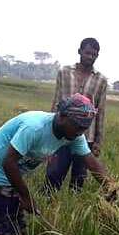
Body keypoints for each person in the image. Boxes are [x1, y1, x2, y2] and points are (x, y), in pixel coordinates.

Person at [0, 94, 113, 235]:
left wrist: (111, 187)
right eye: (77, 126)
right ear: (62, 116)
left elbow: (91, 161)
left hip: (12, 172)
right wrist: (26, 197)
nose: (80, 132)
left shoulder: (74, 136)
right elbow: (9, 162)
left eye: (84, 128)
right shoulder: (34, 128)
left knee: (15, 224)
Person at [45, 37, 108, 192]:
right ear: (79, 51)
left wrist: (98, 141)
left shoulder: (101, 80)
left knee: (79, 179)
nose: (90, 57)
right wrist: (48, 132)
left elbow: (100, 110)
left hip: (86, 136)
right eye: (87, 53)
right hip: (62, 132)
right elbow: (56, 102)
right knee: (53, 174)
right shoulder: (64, 72)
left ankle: (71, 206)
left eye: (94, 54)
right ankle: (48, 205)